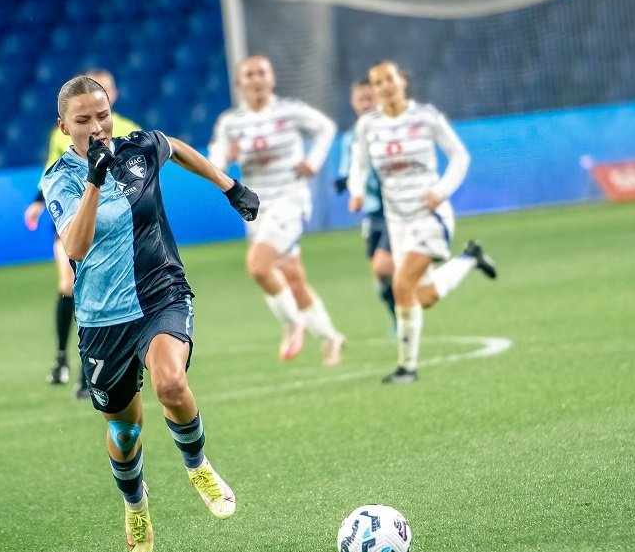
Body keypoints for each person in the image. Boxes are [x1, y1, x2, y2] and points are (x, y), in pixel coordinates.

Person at [41, 75, 260, 552]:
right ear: (63, 126)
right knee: (125, 430)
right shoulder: (60, 179)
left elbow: (176, 148)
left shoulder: (138, 148)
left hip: (161, 292)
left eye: (102, 115)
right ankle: (136, 505)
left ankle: (198, 466)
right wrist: (96, 178)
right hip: (103, 317)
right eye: (83, 120)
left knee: (170, 384)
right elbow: (75, 246)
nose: (97, 126)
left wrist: (230, 185)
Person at [349, 61, 497, 384]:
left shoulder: (426, 117)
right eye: (377, 83)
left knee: (401, 284)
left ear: (402, 81)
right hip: (396, 221)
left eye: (390, 79)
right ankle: (470, 258)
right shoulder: (368, 126)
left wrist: (441, 190)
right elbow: (358, 161)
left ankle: (407, 368)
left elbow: (460, 156)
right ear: (373, 91)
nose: (385, 86)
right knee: (423, 296)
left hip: (430, 216)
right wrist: (356, 191)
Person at [208, 55, 344, 364]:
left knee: (258, 266)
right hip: (256, 208)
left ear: (272, 79)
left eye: (261, 73)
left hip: (291, 201)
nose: (256, 79)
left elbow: (326, 127)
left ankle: (292, 322)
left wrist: (314, 161)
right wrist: (225, 158)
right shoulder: (231, 121)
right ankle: (331, 337)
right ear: (240, 83)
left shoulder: (290, 111)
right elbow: (214, 163)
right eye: (249, 74)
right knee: (292, 278)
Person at [24, 69, 140, 398]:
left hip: (111, 225)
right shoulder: (63, 130)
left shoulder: (127, 128)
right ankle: (63, 358)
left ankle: (87, 372)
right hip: (71, 221)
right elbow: (52, 166)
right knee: (68, 285)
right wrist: (37, 201)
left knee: (95, 291)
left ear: (112, 93)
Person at [334, 79, 395, 324]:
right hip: (372, 213)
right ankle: (397, 317)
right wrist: (348, 186)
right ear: (353, 102)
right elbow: (346, 173)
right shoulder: (352, 139)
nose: (366, 104)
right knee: (379, 276)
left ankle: (407, 309)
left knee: (384, 266)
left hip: (396, 209)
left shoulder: (391, 128)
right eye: (362, 99)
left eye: (371, 98)